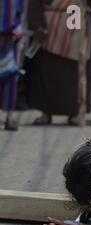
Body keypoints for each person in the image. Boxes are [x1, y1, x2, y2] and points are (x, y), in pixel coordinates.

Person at [28, 0, 91, 126]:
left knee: (75, 67)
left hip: (76, 17)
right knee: (47, 67)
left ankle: (75, 113)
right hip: (50, 23)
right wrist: (36, 25)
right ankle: (46, 112)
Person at [0, 0, 26, 131]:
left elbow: (21, 14)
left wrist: (18, 31)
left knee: (11, 78)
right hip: (9, 36)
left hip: (11, 39)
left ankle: (9, 117)